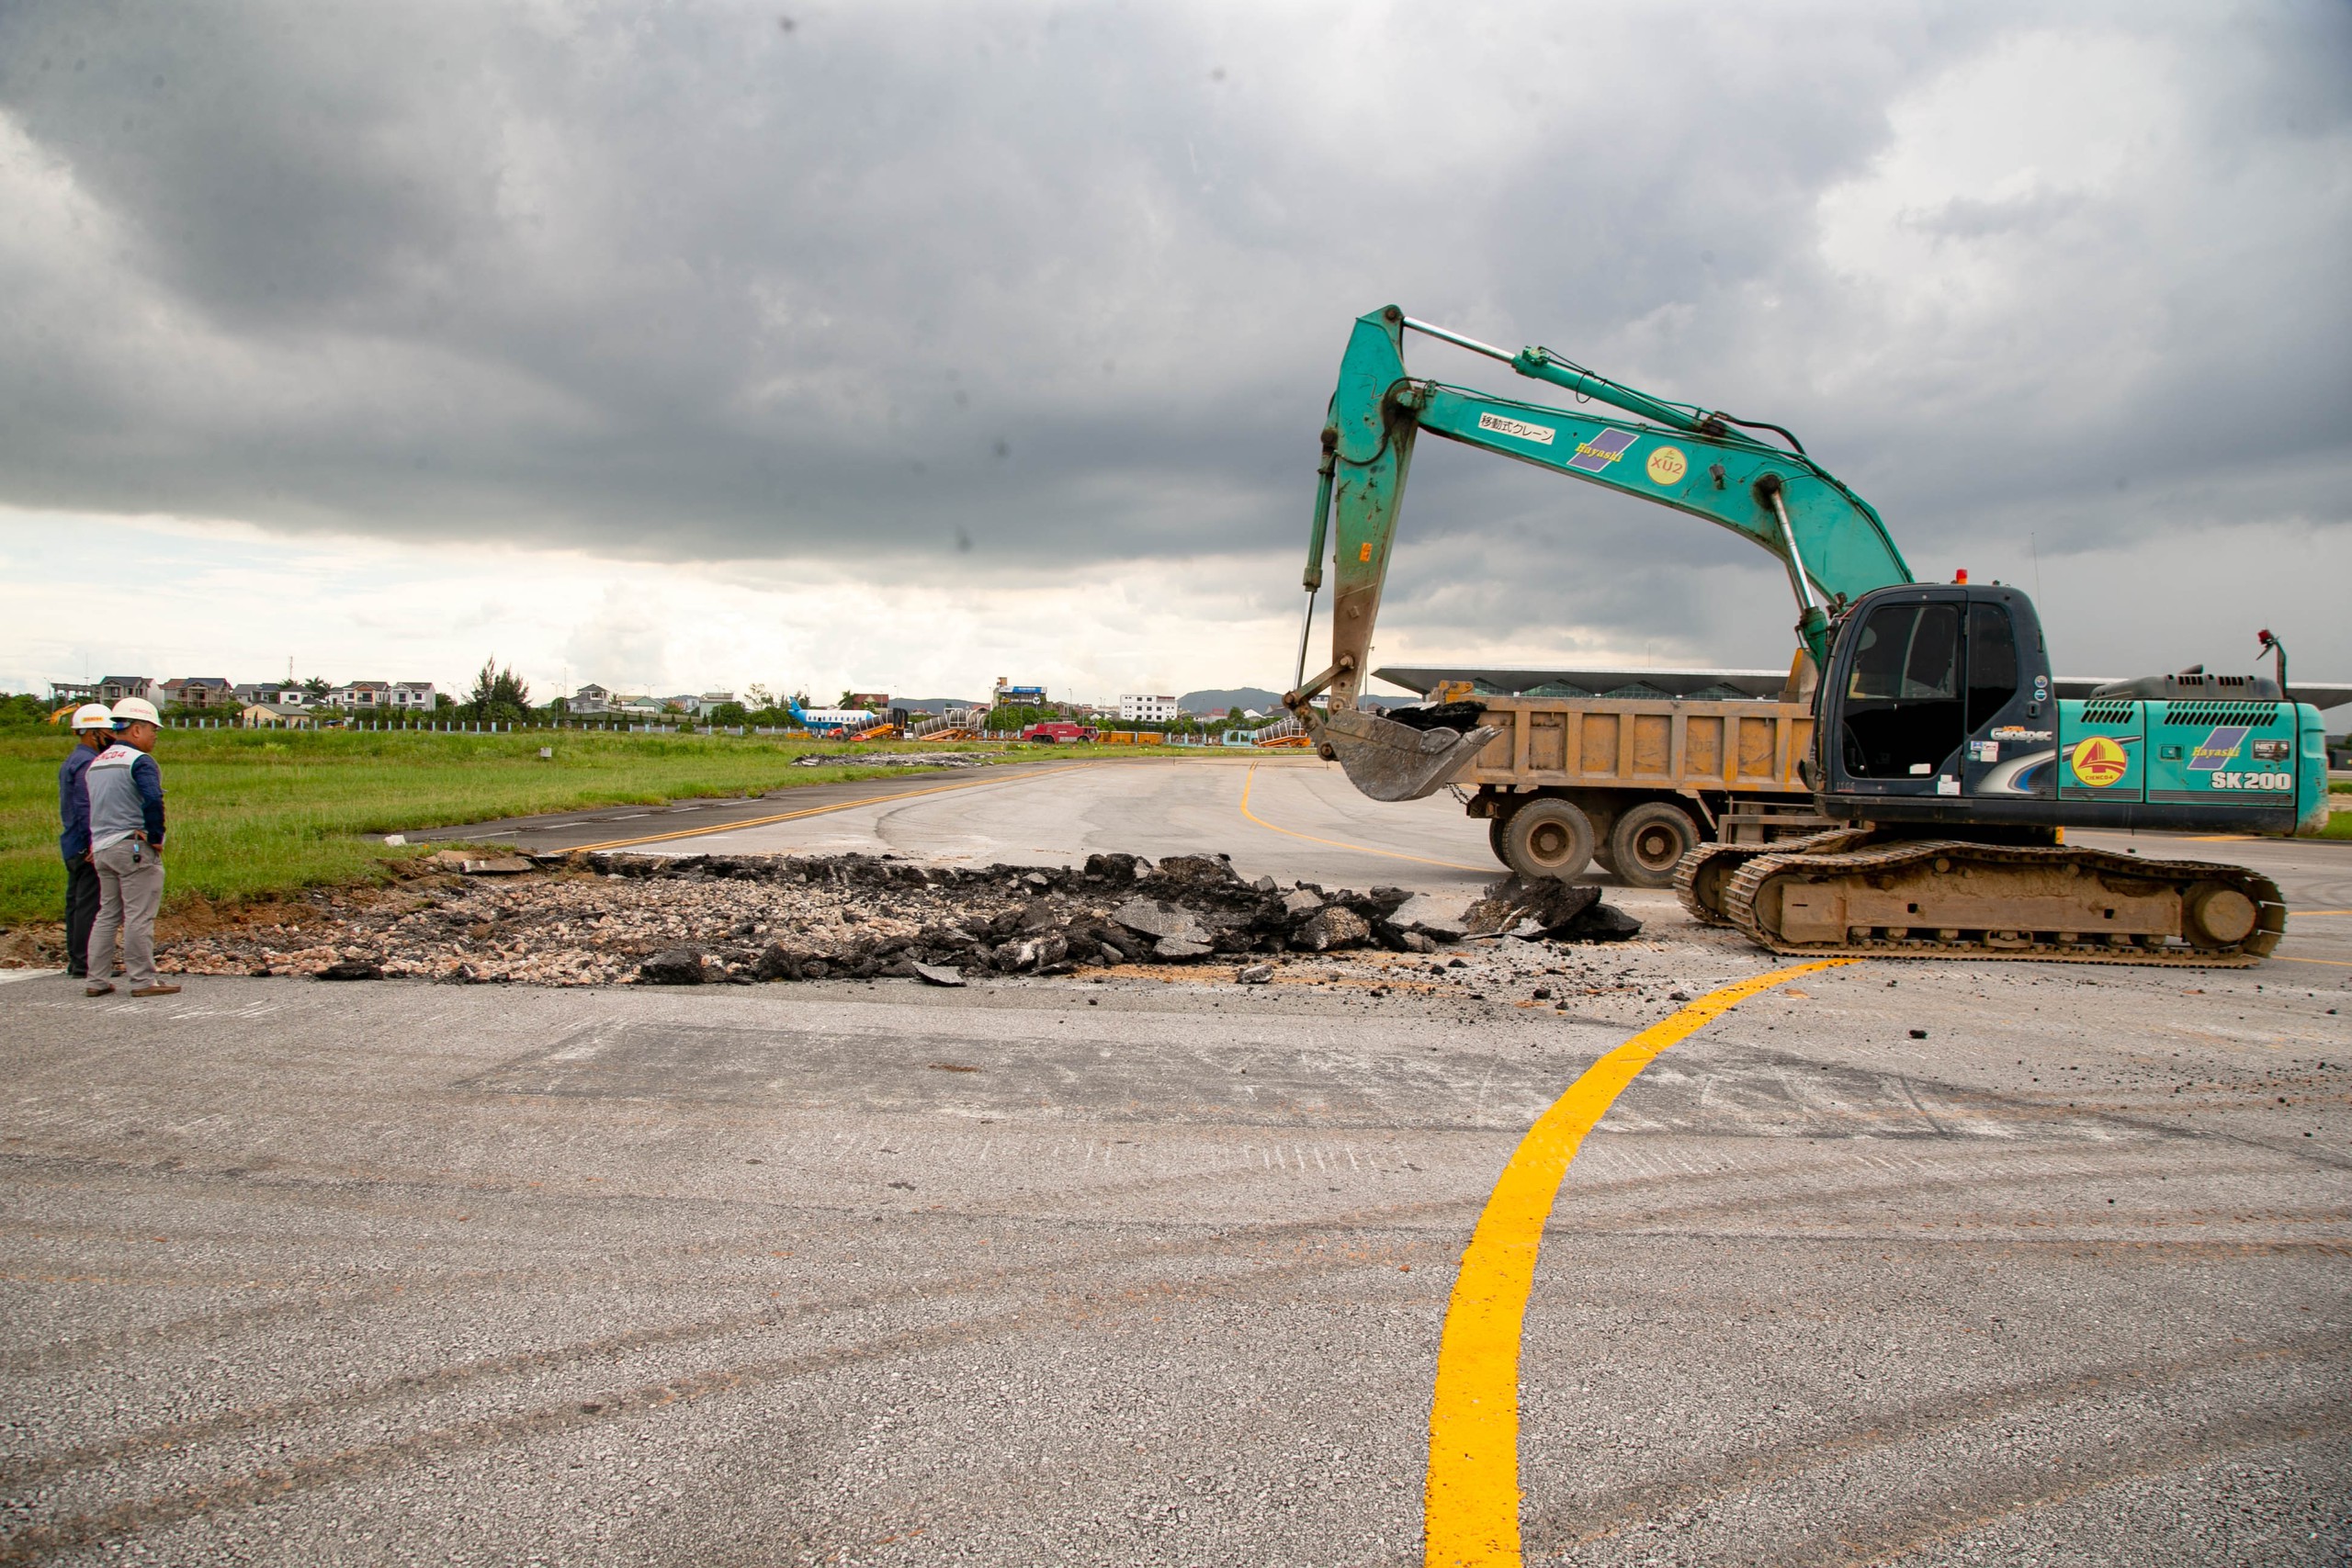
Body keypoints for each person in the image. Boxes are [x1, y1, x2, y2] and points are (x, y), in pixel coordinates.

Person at [84, 697, 179, 999]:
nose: (155, 736)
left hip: (101, 848)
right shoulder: (139, 761)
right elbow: (152, 798)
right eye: (153, 729)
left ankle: (96, 979)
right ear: (136, 729)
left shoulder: (96, 764)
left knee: (108, 914)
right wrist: (156, 835)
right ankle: (142, 980)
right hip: (132, 847)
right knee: (139, 916)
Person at [58, 704, 118, 979]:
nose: (112, 736)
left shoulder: (73, 759)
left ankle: (77, 960)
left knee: (76, 903)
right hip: (85, 843)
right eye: (108, 731)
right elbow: (85, 806)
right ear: (93, 733)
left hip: (72, 842)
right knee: (90, 904)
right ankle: (86, 963)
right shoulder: (87, 763)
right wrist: (94, 842)